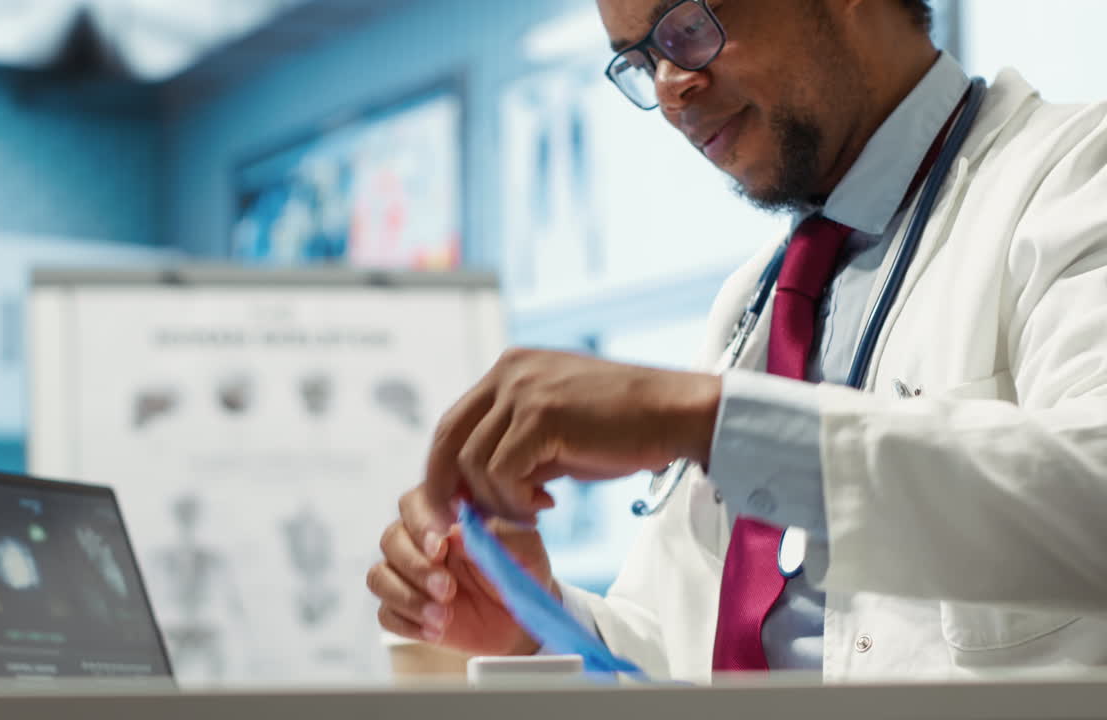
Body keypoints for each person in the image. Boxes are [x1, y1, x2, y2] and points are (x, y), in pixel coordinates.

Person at [368, 0, 1107, 681]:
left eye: (686, 27)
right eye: (638, 60)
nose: (667, 89)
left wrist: (699, 419)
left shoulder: (1077, 176)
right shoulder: (758, 303)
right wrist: (538, 626)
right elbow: (686, 652)